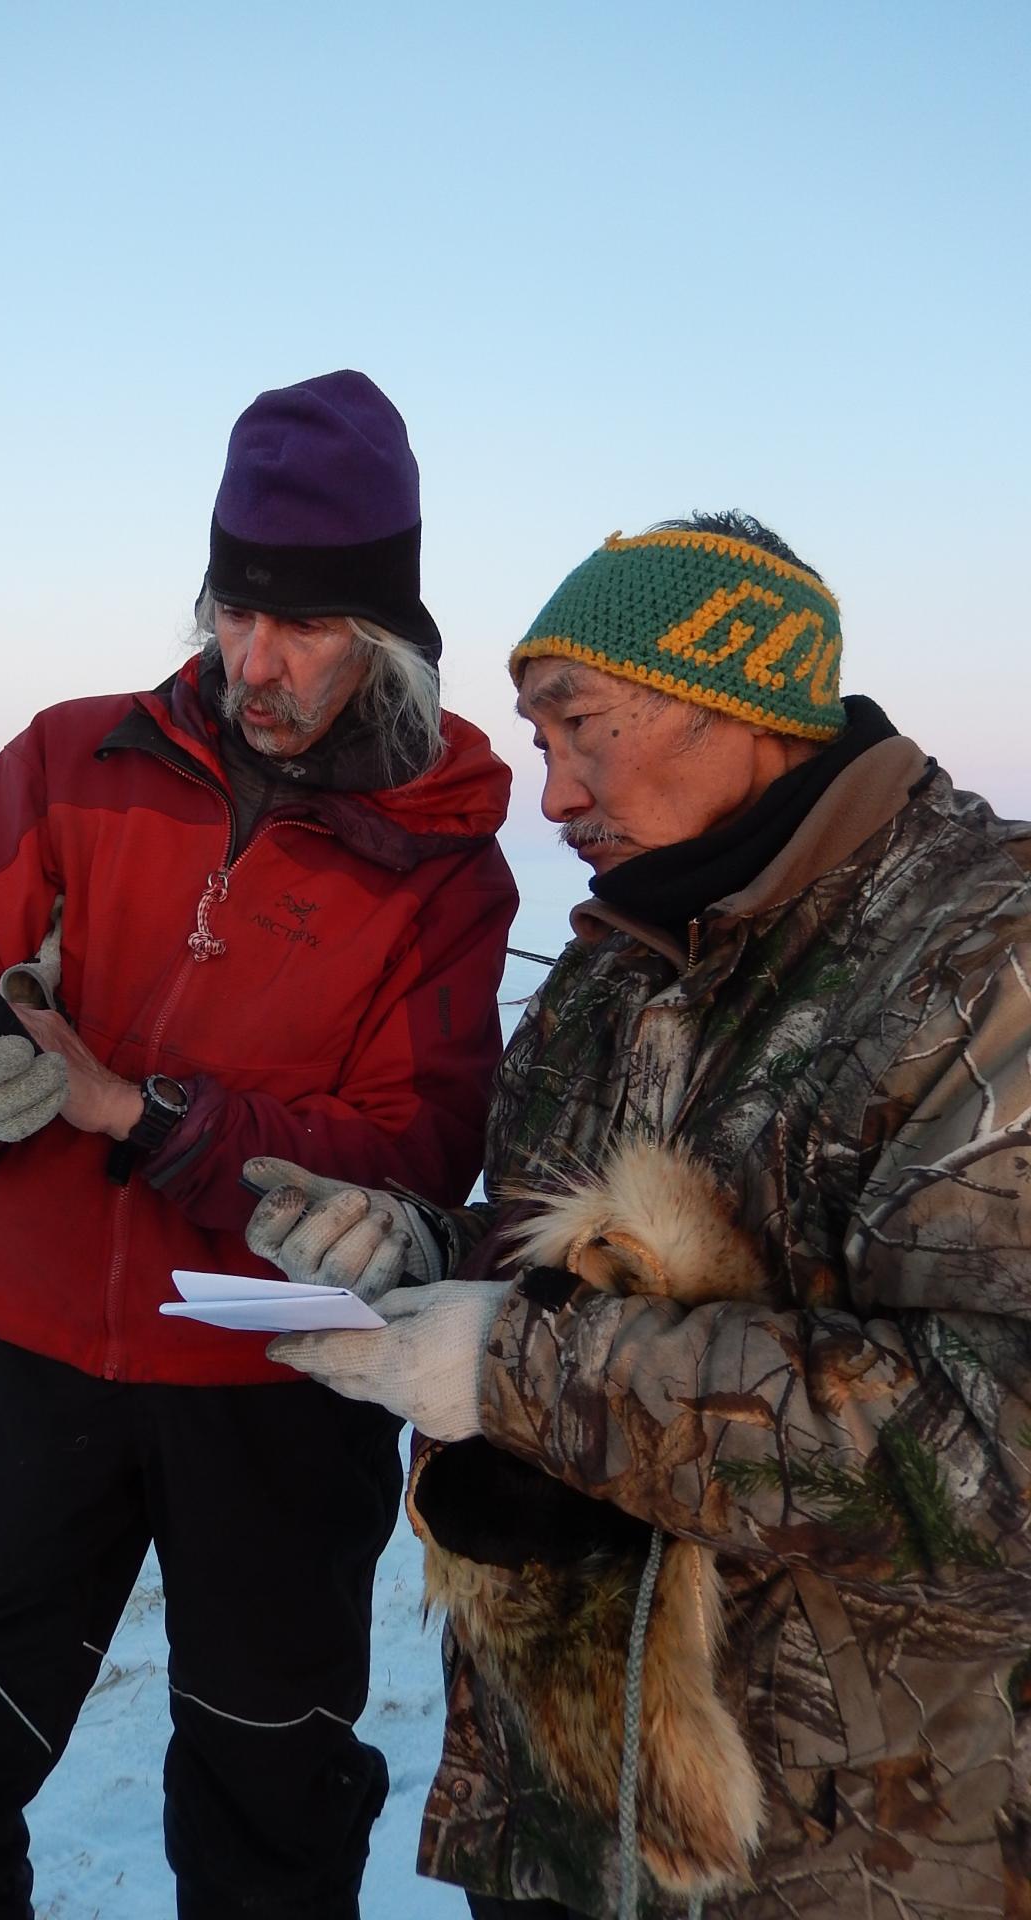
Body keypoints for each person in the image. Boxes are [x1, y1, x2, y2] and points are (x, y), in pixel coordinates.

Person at [0, 370, 518, 1920]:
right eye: (234, 609)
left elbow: (420, 1145)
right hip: (28, 1359)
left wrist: (151, 1118)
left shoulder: (445, 861)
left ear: (387, 628)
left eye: (307, 625)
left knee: (273, 1814)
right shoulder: (65, 762)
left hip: (279, 1394)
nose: (258, 660)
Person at [246, 513, 1031, 1919]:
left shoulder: (991, 960)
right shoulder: (618, 959)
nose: (551, 795)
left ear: (742, 706)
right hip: (572, 1818)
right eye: (538, 739)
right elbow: (558, 1258)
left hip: (860, 1847)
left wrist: (512, 1368)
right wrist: (420, 1260)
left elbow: (996, 1437)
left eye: (580, 725)